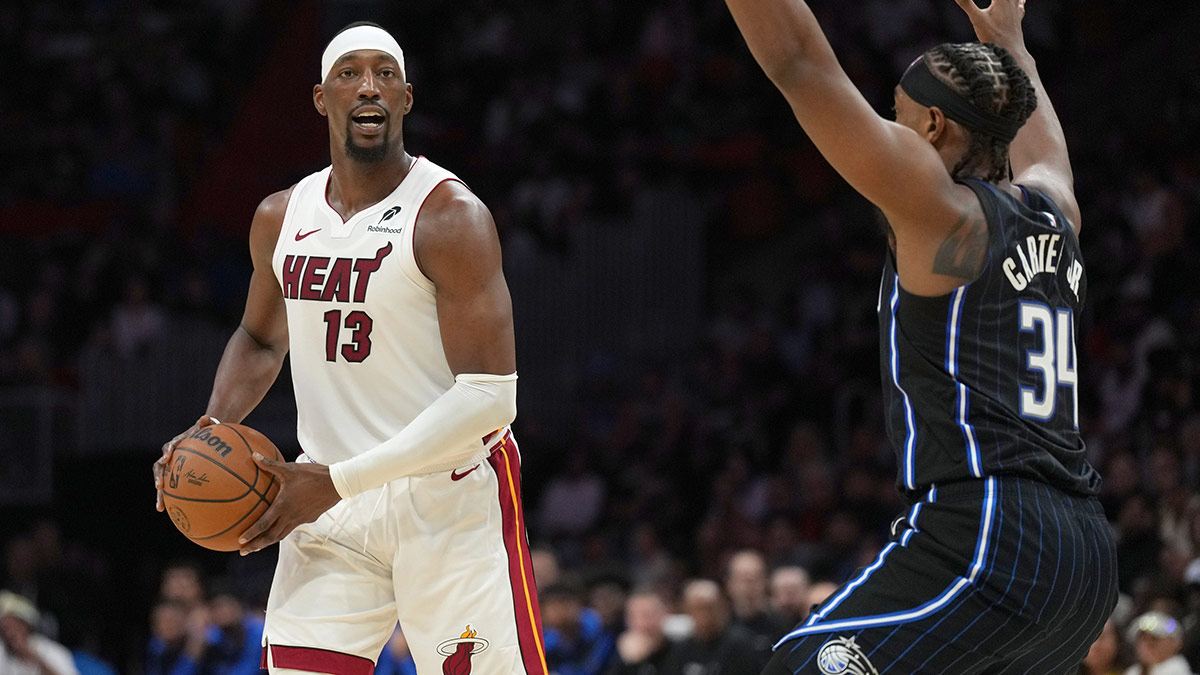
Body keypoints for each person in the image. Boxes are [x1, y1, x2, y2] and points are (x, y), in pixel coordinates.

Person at [723, 0, 1118, 672]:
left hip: (993, 527)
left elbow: (800, 65)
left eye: (896, 112)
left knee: (801, 662)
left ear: (932, 124)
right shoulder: (1058, 207)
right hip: (1085, 553)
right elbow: (1044, 143)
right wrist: (1006, 35)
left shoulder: (944, 214)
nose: (886, 127)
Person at [151, 21, 546, 675]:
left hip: (443, 499)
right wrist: (212, 424)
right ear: (320, 98)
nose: (369, 86)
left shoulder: (450, 217)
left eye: (385, 74)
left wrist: (335, 482)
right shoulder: (281, 215)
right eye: (349, 73)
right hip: (328, 499)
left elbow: (488, 400)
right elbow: (257, 336)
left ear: (406, 99)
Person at [0, 590, 78, 675]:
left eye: (13, 626)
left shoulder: (52, 651)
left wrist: (34, 658)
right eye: (4, 628)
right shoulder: (2, 652)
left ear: (26, 625)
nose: (9, 633)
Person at [1124, 612, 1193, 675]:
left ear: (1175, 643)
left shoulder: (1177, 670)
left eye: (1155, 638)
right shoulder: (1133, 671)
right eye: (1142, 638)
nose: (1147, 644)